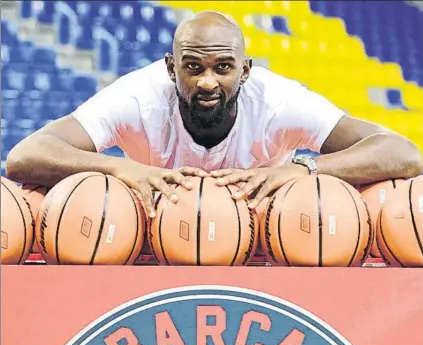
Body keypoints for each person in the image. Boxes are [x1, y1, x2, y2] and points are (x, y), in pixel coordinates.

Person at [6, 11, 422, 218]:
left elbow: (403, 153)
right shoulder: (138, 97)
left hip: (267, 236)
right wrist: (120, 170)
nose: (207, 82)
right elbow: (24, 157)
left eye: (222, 67)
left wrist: (304, 169)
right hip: (158, 235)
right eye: (193, 67)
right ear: (171, 68)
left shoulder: (280, 102)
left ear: (245, 70)